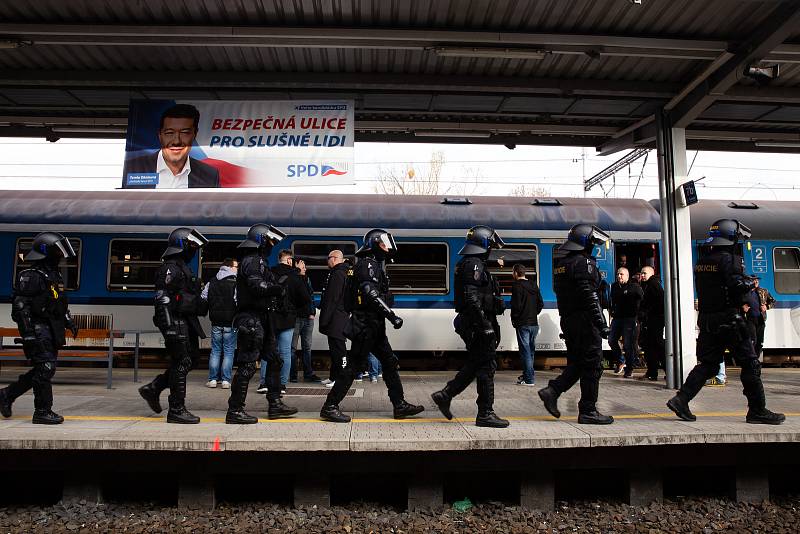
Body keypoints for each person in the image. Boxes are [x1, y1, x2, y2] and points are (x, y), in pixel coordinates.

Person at [667, 219, 784, 425]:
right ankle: (757, 410)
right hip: (730, 320)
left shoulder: (703, 261)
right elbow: (736, 285)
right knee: (750, 363)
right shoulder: (730, 259)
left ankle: (681, 399)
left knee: (709, 364)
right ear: (731, 237)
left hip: (707, 320)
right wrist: (749, 282)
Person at [320, 229, 424, 423]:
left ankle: (399, 404)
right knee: (352, 366)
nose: (387, 247)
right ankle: (330, 406)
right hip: (365, 326)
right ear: (375, 244)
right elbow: (370, 293)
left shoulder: (374, 264)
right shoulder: (367, 264)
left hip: (374, 326)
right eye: (384, 243)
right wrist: (392, 316)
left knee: (389, 362)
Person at [431, 225, 509, 428]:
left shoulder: (472, 263)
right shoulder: (474, 264)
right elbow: (471, 297)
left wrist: (494, 303)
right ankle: (485, 413)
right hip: (476, 324)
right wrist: (484, 325)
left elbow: (478, 296)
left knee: (477, 364)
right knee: (486, 367)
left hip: (475, 322)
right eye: (490, 245)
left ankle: (446, 395)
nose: (492, 249)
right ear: (483, 244)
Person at [538, 224, 614, 425]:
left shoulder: (562, 264)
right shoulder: (584, 264)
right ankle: (588, 410)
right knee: (593, 365)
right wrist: (601, 323)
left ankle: (552, 391)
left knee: (579, 363)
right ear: (586, 243)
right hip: (585, 321)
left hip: (569, 321)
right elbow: (589, 296)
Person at [0, 232, 78, 424]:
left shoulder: (53, 275)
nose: (60, 258)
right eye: (57, 254)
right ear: (47, 253)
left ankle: (7, 395)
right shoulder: (30, 276)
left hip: (51, 329)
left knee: (42, 369)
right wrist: (27, 334)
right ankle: (42, 410)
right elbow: (20, 307)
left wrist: (68, 320)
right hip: (38, 328)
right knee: (45, 367)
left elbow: (59, 303)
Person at [225, 224, 297, 424]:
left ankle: (275, 404)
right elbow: (257, 286)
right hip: (251, 319)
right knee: (248, 365)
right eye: (270, 241)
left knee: (274, 360)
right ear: (261, 241)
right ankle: (235, 410)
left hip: (263, 318)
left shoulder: (259, 261)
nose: (272, 245)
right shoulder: (252, 260)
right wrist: (277, 289)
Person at [138, 227, 209, 424]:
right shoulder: (170, 268)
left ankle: (154, 388)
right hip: (176, 321)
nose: (194, 250)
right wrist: (168, 327)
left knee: (192, 360)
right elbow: (162, 300)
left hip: (186, 320)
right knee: (183, 362)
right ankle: (176, 408)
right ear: (181, 245)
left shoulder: (182, 267)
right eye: (192, 246)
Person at [122, 103, 220, 189]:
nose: (176, 141)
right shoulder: (134, 167)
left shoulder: (210, 175)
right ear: (160, 135)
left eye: (185, 132)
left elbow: (214, 208)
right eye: (169, 133)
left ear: (195, 134)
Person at [267, 249, 311, 392]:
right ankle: (282, 384)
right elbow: (305, 298)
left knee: (268, 350)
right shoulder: (295, 276)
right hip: (287, 318)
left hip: (271, 317)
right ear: (289, 260)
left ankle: (264, 383)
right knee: (285, 352)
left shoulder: (270, 272)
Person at [201, 258, 238, 389]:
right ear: (230, 267)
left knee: (215, 350)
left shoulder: (212, 281)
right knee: (228, 351)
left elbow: (203, 297)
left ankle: (212, 379)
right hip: (230, 322)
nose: (237, 269)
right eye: (236, 266)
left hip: (215, 321)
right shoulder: (235, 282)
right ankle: (226, 380)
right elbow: (237, 301)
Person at [318, 250, 349, 388]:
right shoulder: (339, 272)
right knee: (334, 349)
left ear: (335, 259)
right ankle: (333, 377)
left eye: (328, 258)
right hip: (338, 316)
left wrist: (325, 318)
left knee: (339, 350)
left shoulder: (338, 274)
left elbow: (332, 298)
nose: (327, 260)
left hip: (337, 318)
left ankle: (341, 379)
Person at [510, 263, 543, 386]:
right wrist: (533, 314)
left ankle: (529, 380)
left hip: (523, 324)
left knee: (525, 352)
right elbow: (541, 303)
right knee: (530, 352)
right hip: (534, 323)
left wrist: (514, 319)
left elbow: (516, 306)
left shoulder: (516, 286)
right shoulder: (533, 285)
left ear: (515, 273)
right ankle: (528, 375)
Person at [290, 259, 321, 383]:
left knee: (307, 348)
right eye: (303, 266)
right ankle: (293, 375)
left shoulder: (307, 280)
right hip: (297, 317)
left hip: (308, 318)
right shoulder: (293, 279)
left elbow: (311, 297)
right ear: (296, 266)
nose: (305, 269)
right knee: (292, 348)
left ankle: (308, 374)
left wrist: (312, 312)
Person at [609, 267, 643, 378]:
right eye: (618, 274)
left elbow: (642, 299)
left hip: (630, 318)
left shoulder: (634, 287)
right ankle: (621, 360)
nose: (619, 276)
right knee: (611, 340)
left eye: (622, 274)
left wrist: (638, 313)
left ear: (627, 276)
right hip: (617, 318)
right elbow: (612, 302)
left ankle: (629, 368)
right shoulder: (614, 287)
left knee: (628, 344)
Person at [638, 265, 664, 381]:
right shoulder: (648, 285)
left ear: (651, 274)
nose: (642, 275)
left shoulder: (653, 284)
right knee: (650, 346)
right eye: (641, 273)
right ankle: (652, 372)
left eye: (644, 273)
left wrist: (646, 312)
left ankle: (661, 370)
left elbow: (659, 301)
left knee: (656, 345)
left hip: (655, 320)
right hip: (651, 320)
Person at [751, 276, 775, 357]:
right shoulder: (746, 292)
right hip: (749, 319)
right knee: (752, 340)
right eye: (753, 280)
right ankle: (751, 358)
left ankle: (755, 359)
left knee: (760, 341)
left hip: (761, 319)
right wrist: (743, 306)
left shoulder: (764, 291)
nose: (756, 281)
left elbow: (773, 301)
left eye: (757, 280)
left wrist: (767, 306)